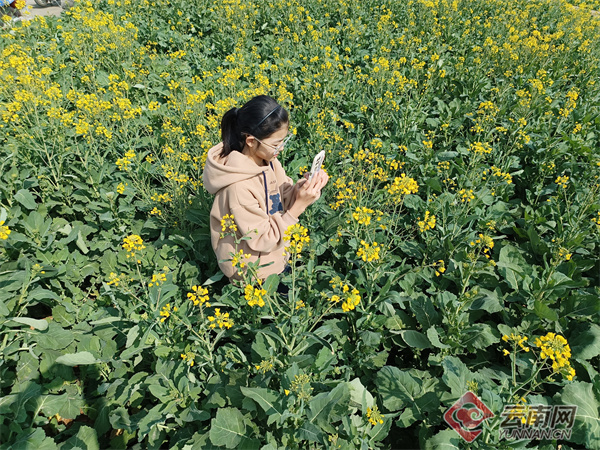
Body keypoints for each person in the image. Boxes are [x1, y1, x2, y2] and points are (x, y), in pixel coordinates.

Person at [202, 95, 328, 281]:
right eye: (276, 144)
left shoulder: (268, 161)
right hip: (253, 272)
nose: (281, 148)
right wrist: (299, 206)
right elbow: (262, 238)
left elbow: (280, 198)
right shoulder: (238, 187)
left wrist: (302, 190)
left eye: (284, 140)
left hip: (276, 255)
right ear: (251, 141)